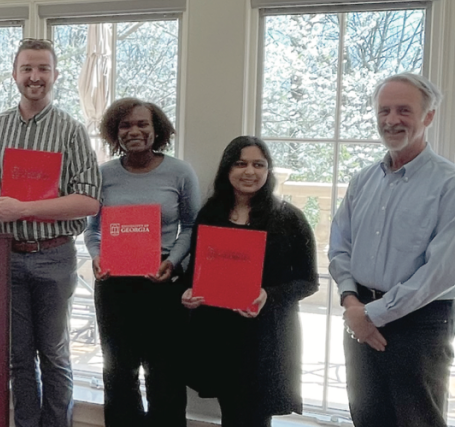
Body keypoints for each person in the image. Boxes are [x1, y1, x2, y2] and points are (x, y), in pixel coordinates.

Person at [0, 37, 101, 427]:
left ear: (54, 75)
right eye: (27, 68)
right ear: (14, 74)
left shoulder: (71, 131)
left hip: (55, 256)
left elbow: (89, 201)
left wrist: (25, 209)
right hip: (7, 256)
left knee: (55, 354)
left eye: (43, 68)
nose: (35, 76)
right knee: (18, 356)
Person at [328, 73, 455, 427]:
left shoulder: (449, 185)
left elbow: (441, 272)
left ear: (428, 117)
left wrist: (373, 315)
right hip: (359, 313)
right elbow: (339, 246)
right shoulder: (362, 181)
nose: (391, 120)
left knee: (417, 420)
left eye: (404, 110)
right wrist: (352, 303)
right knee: (367, 416)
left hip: (419, 323)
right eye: (384, 110)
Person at [181, 136, 318, 427]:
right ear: (227, 169)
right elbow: (195, 272)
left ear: (268, 171)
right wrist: (189, 292)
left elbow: (308, 281)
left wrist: (268, 294)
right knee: (230, 414)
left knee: (256, 418)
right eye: (240, 163)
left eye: (259, 164)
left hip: (267, 335)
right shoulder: (210, 214)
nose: (249, 172)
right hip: (220, 333)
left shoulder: (289, 219)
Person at [85, 98, 198, 427]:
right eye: (125, 125)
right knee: (118, 373)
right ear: (114, 132)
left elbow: (192, 226)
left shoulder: (179, 172)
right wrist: (97, 257)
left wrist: (174, 263)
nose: (134, 131)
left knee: (164, 373)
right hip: (114, 284)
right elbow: (91, 230)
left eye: (142, 124)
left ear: (156, 129)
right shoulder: (103, 175)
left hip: (162, 282)